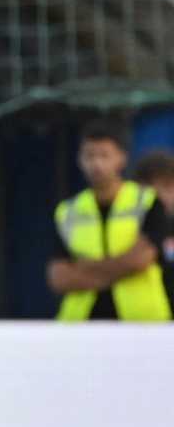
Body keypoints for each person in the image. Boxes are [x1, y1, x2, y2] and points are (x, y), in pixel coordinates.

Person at [46, 120, 170, 321]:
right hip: (81, 323)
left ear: (121, 158)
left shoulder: (147, 201)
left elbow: (140, 260)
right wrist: (121, 266)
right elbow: (59, 278)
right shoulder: (67, 211)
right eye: (89, 156)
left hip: (141, 323)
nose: (96, 164)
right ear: (79, 159)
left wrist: (84, 268)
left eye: (104, 155)